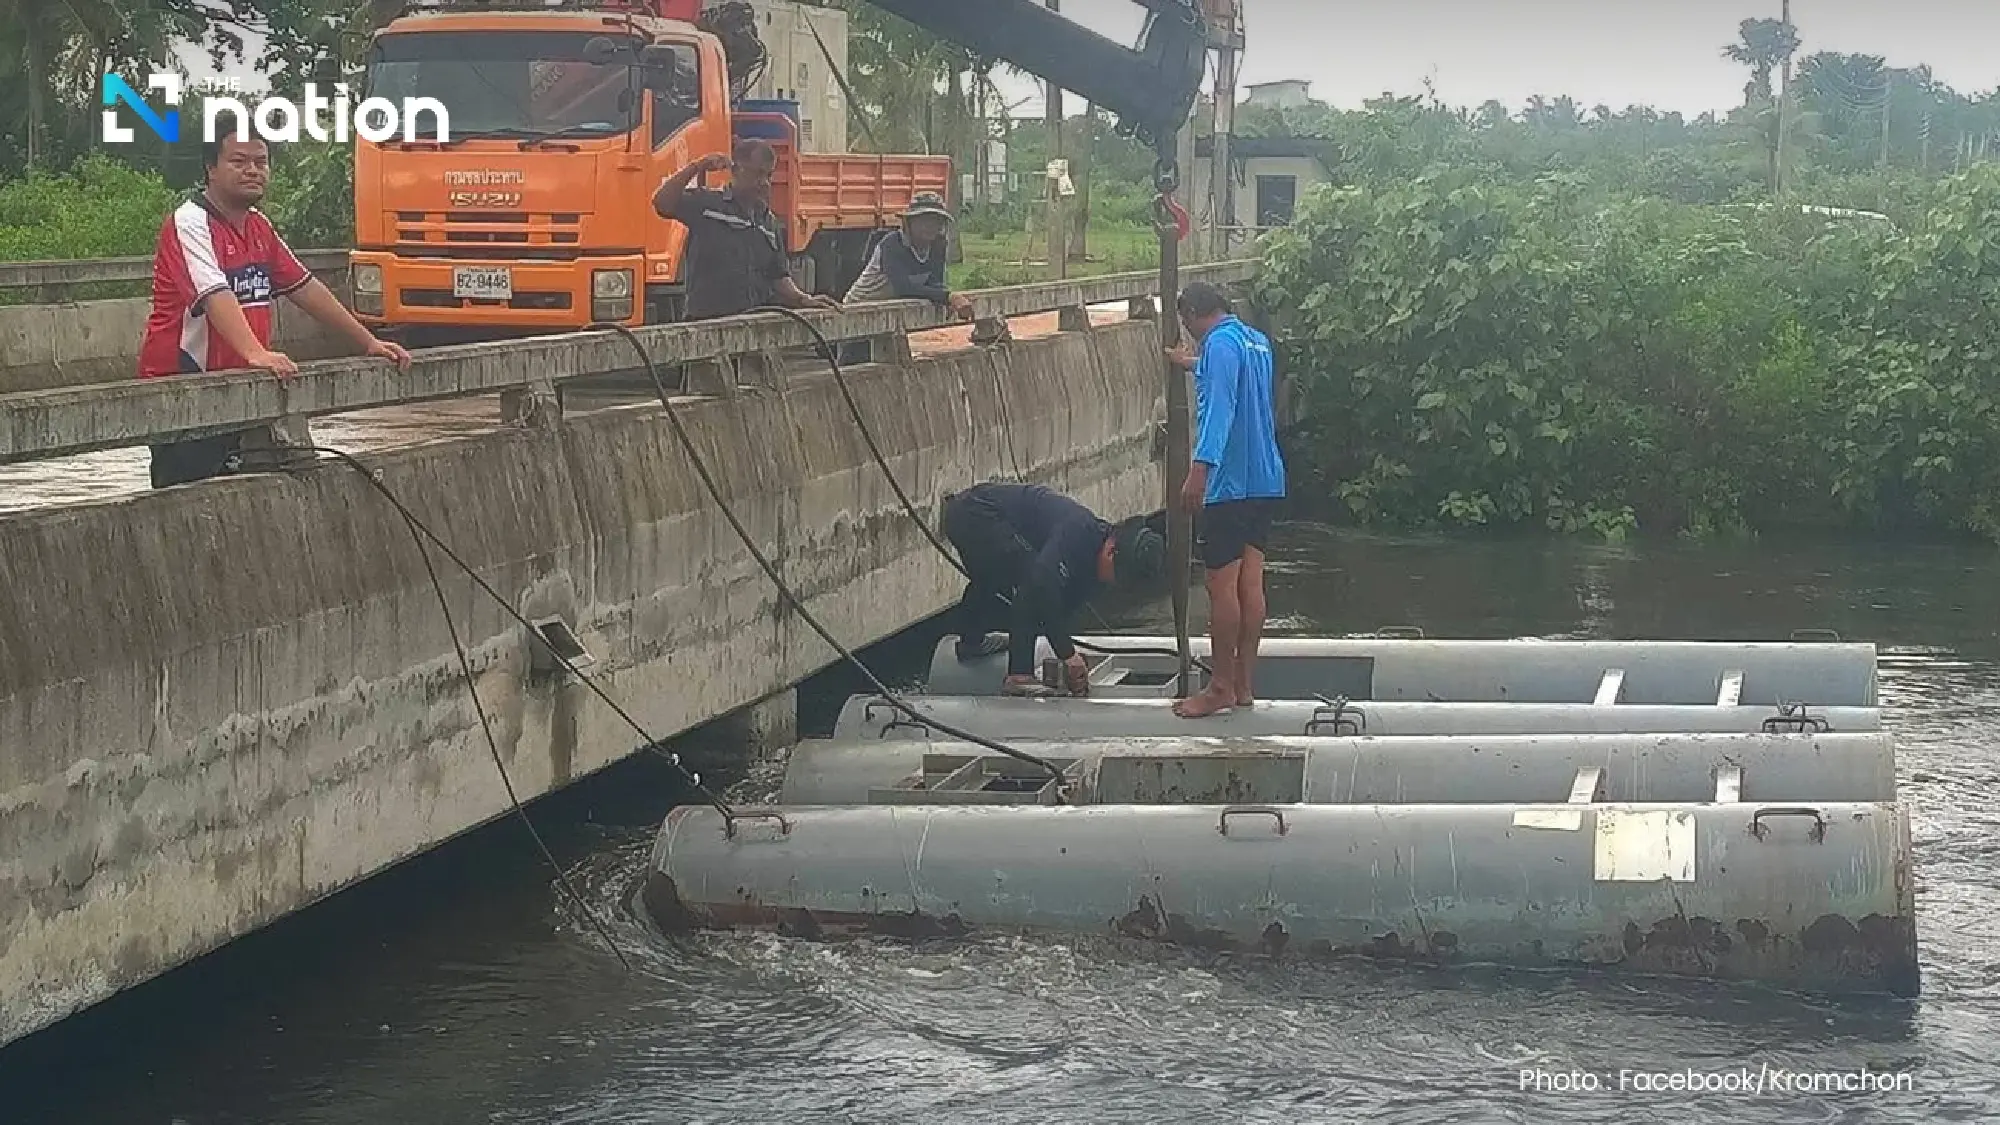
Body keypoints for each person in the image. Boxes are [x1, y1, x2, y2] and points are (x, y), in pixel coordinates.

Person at [140, 134, 412, 488]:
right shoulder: (190, 223)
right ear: (211, 168)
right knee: (189, 497)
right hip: (185, 392)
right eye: (238, 162)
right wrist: (256, 352)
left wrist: (368, 342)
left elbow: (305, 287)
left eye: (260, 162)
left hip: (244, 392)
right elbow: (214, 293)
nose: (252, 170)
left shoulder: (258, 226)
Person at [1165, 281, 1286, 718]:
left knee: (1221, 586)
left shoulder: (1218, 343)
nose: (1188, 330)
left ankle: (1218, 687)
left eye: (1186, 322)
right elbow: (1230, 377)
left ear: (1196, 314)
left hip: (1229, 482)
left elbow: (1220, 407)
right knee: (1251, 583)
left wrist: (1199, 471)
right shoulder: (1255, 342)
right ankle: (1243, 683)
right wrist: (1191, 363)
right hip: (1265, 478)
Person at [942, 481, 1166, 698]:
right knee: (1028, 578)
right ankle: (1019, 676)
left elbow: (1058, 609)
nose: (1115, 584)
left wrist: (1068, 658)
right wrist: (1067, 654)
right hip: (976, 512)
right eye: (1119, 575)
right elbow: (1038, 586)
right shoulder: (1079, 530)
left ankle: (971, 644)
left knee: (1000, 576)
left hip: (986, 522)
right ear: (1111, 551)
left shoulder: (1094, 576)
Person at [652, 138, 839, 321]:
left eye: (768, 175)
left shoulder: (768, 223)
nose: (764, 182)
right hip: (706, 325)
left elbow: (778, 276)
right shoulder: (708, 206)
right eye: (757, 174)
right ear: (735, 171)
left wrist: (804, 299)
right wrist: (697, 167)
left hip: (753, 328)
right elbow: (662, 202)